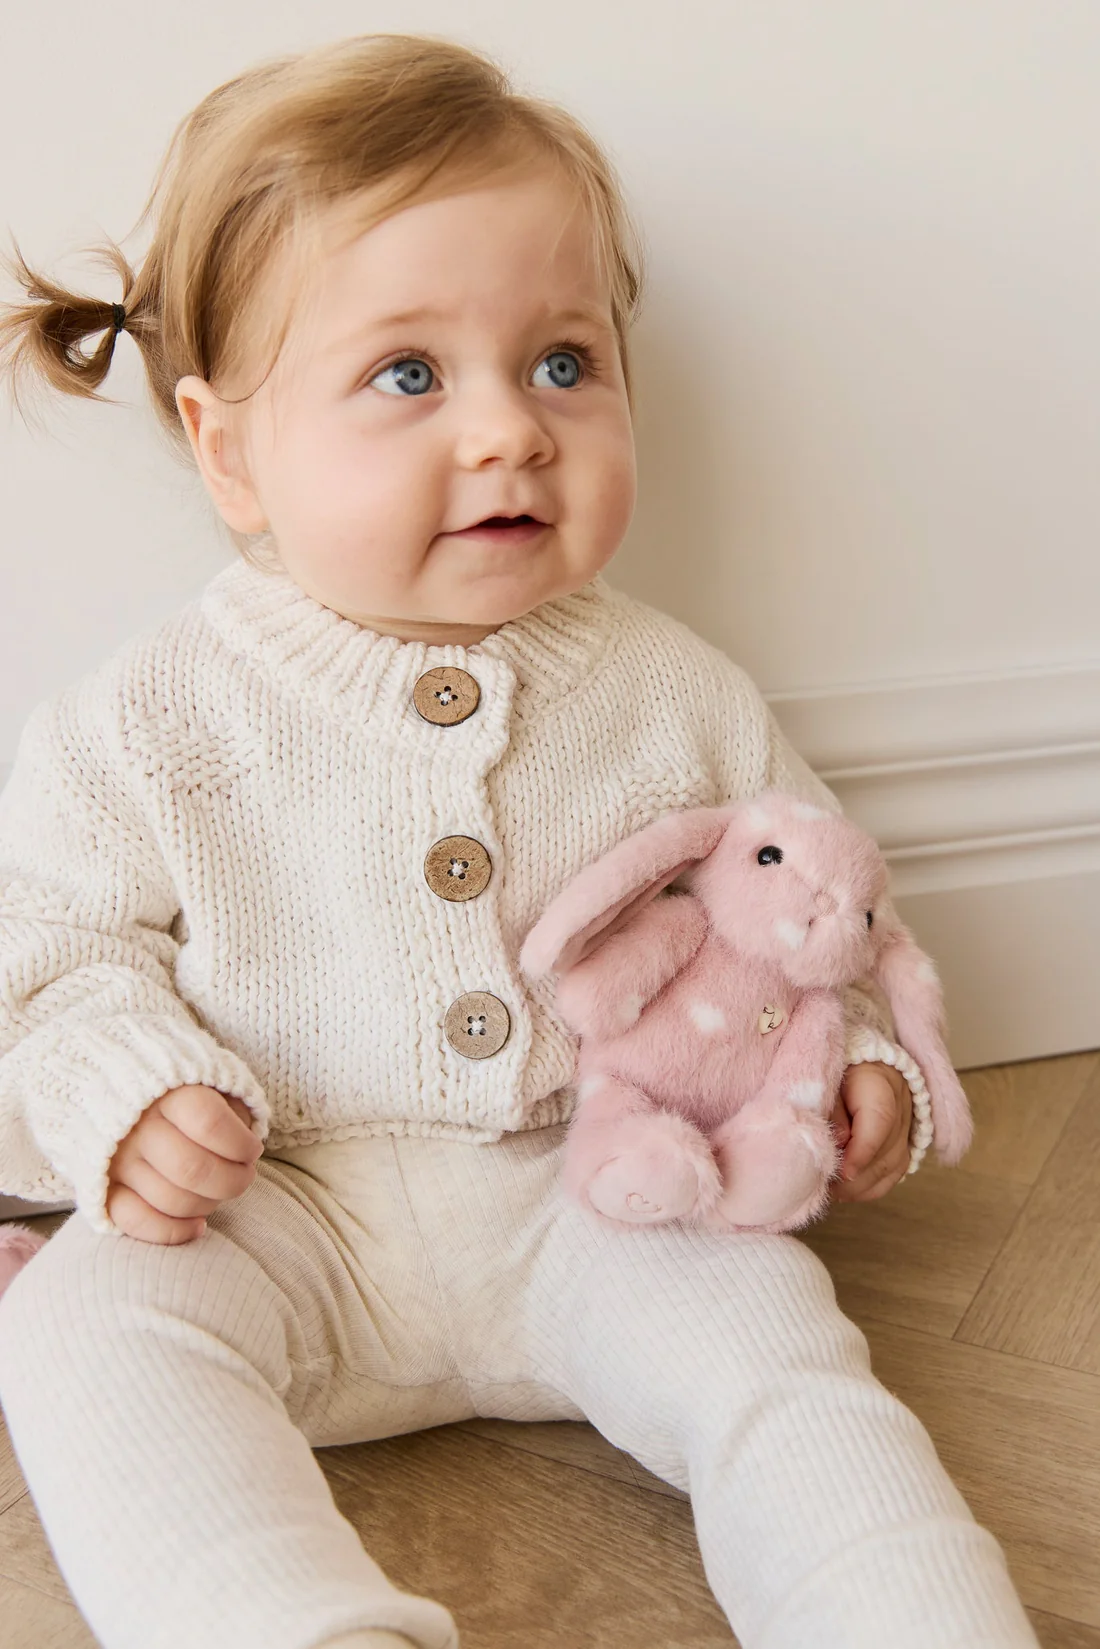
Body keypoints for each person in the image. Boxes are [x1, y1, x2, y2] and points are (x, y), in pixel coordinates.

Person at [0, 32, 1038, 1649]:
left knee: (786, 1363)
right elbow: (48, 950)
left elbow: (804, 924)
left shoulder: (675, 692)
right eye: (409, 376)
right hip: (274, 1215)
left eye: (562, 362)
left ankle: (907, 1616)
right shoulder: (150, 717)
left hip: (607, 1197)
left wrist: (852, 1062)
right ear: (229, 452)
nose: (511, 431)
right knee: (80, 1326)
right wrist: (132, 1096)